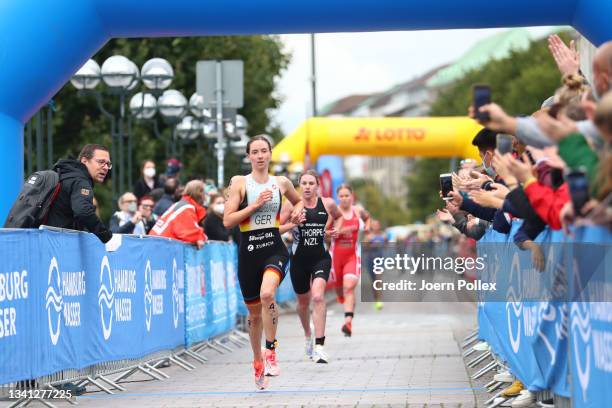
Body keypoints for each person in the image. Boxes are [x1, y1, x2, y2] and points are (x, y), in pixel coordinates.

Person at [223, 135, 303, 389]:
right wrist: (254, 205)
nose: (259, 156)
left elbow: (298, 199)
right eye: (254, 152)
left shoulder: (281, 182)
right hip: (248, 252)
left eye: (263, 151)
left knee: (268, 293)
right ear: (248, 156)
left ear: (270, 154)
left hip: (274, 248)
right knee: (254, 316)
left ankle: (271, 351)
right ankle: (257, 359)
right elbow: (227, 221)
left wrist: (298, 211)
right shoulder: (239, 183)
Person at [279, 170, 342, 363]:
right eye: (303, 183)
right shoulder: (291, 205)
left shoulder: (328, 203)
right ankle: (308, 334)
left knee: (318, 296)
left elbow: (338, 217)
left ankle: (320, 346)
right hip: (299, 260)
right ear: (299, 185)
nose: (307, 187)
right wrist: (292, 224)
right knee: (303, 303)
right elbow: (276, 228)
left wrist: (334, 230)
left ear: (317, 186)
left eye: (311, 183)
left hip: (320, 257)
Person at [46, 144, 112, 243]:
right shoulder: (80, 181)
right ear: (84, 161)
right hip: (58, 242)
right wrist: (106, 235)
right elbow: (83, 211)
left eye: (108, 164)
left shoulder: (66, 175)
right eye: (101, 162)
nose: (106, 167)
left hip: (48, 238)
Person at [331, 184, 370, 337]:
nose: (344, 198)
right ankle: (342, 298)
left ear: (352, 196)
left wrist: (366, 227)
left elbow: (367, 218)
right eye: (341, 196)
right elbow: (326, 233)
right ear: (337, 197)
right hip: (336, 257)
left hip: (352, 256)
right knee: (340, 291)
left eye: (347, 195)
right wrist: (339, 231)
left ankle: (348, 321)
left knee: (349, 287)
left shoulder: (357, 210)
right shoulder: (334, 212)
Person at [149, 180, 207, 248]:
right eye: (205, 193)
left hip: (157, 244)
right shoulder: (187, 208)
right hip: (161, 247)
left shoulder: (181, 205)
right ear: (200, 193)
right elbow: (191, 233)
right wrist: (201, 238)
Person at [363, 219, 386, 311]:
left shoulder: (383, 236)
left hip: (379, 261)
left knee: (378, 280)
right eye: (374, 225)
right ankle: (376, 299)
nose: (375, 226)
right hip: (370, 260)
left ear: (379, 226)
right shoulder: (368, 236)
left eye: (377, 225)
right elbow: (364, 247)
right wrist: (370, 244)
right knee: (373, 282)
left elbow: (386, 245)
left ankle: (379, 300)